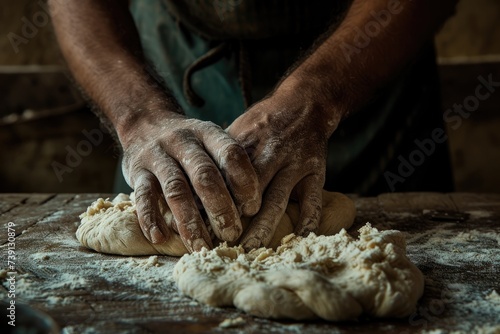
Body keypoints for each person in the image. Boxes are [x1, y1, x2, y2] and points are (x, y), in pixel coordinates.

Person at [49, 0, 457, 253]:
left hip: (362, 63)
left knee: (406, 247)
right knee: (166, 215)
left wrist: (320, 97)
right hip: (170, 65)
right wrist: (138, 115)